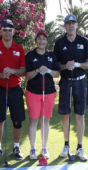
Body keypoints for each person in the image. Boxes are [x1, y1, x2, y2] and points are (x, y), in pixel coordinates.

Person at [54, 14, 88, 161]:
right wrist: (65, 66)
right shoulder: (59, 42)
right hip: (65, 81)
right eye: (68, 23)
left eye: (73, 23)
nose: (71, 25)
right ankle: (66, 145)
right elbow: (56, 65)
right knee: (65, 115)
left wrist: (77, 64)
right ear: (65, 26)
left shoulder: (84, 41)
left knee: (80, 115)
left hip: (80, 81)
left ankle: (80, 147)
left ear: (77, 25)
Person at [0, 19, 26, 161]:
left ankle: (16, 147)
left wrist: (12, 71)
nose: (8, 32)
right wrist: (0, 75)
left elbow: (23, 70)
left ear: (14, 32)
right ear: (1, 31)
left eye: (10, 29)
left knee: (18, 121)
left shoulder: (19, 48)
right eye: (5, 29)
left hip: (15, 89)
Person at [25, 30, 59, 160]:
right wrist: (38, 70)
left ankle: (44, 148)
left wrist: (48, 70)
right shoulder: (30, 55)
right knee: (34, 120)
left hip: (49, 92)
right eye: (39, 39)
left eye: (43, 39)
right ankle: (33, 149)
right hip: (33, 92)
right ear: (36, 41)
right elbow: (27, 75)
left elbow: (57, 73)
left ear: (46, 41)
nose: (41, 41)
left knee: (45, 120)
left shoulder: (51, 55)